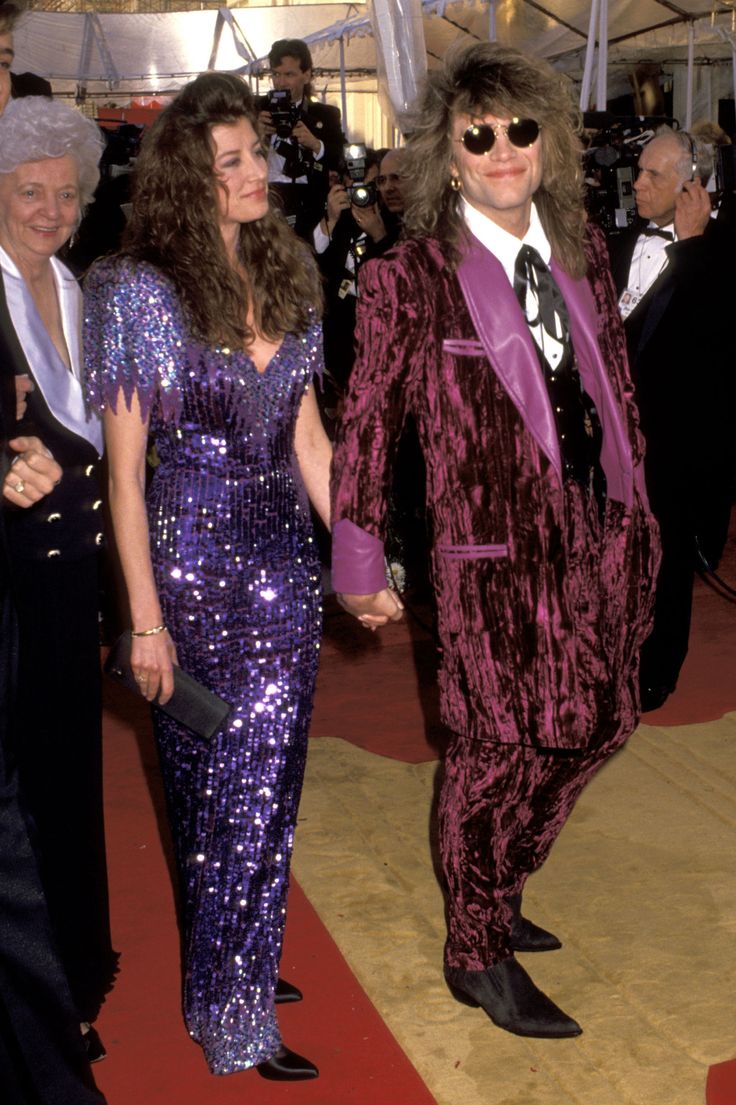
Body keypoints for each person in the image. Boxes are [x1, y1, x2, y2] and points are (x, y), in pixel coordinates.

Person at [331, 41, 660, 1039]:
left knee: (603, 722)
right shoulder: (411, 274)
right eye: (479, 134)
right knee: (491, 749)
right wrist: (357, 557)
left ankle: (497, 878)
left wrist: (639, 513)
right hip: (489, 561)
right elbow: (371, 425)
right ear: (450, 153)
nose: (503, 148)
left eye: (521, 128)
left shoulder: (583, 253)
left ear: (550, 138)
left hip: (598, 536)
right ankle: (474, 947)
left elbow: (619, 397)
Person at [84, 71, 332, 1080]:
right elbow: (125, 475)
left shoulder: (286, 270)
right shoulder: (142, 291)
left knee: (271, 785)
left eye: (255, 151)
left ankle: (244, 947)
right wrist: (143, 620)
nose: (255, 171)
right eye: (229, 160)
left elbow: (311, 436)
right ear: (189, 177)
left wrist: (363, 554)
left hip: (286, 568)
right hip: (190, 570)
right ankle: (228, 1012)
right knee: (221, 787)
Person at [0, 90, 117, 1061]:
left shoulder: (77, 288)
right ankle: (36, 1007)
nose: (50, 210)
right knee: (21, 796)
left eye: (65, 194)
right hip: (4, 589)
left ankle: (75, 979)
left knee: (72, 780)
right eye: (31, 192)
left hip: (74, 578)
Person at [608, 126, 736, 711]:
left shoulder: (720, 254)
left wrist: (692, 243)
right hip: (612, 441)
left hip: (678, 445)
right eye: (638, 171)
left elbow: (715, 332)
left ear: (692, 187)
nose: (637, 183)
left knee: (666, 563)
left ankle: (656, 674)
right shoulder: (614, 244)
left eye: (653, 175)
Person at [257, 38, 345, 239]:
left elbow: (343, 158)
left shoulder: (326, 115)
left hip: (309, 207)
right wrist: (254, 134)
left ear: (307, 75)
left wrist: (316, 145)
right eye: (275, 74)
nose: (280, 82)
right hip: (265, 202)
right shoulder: (254, 109)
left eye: (289, 74)